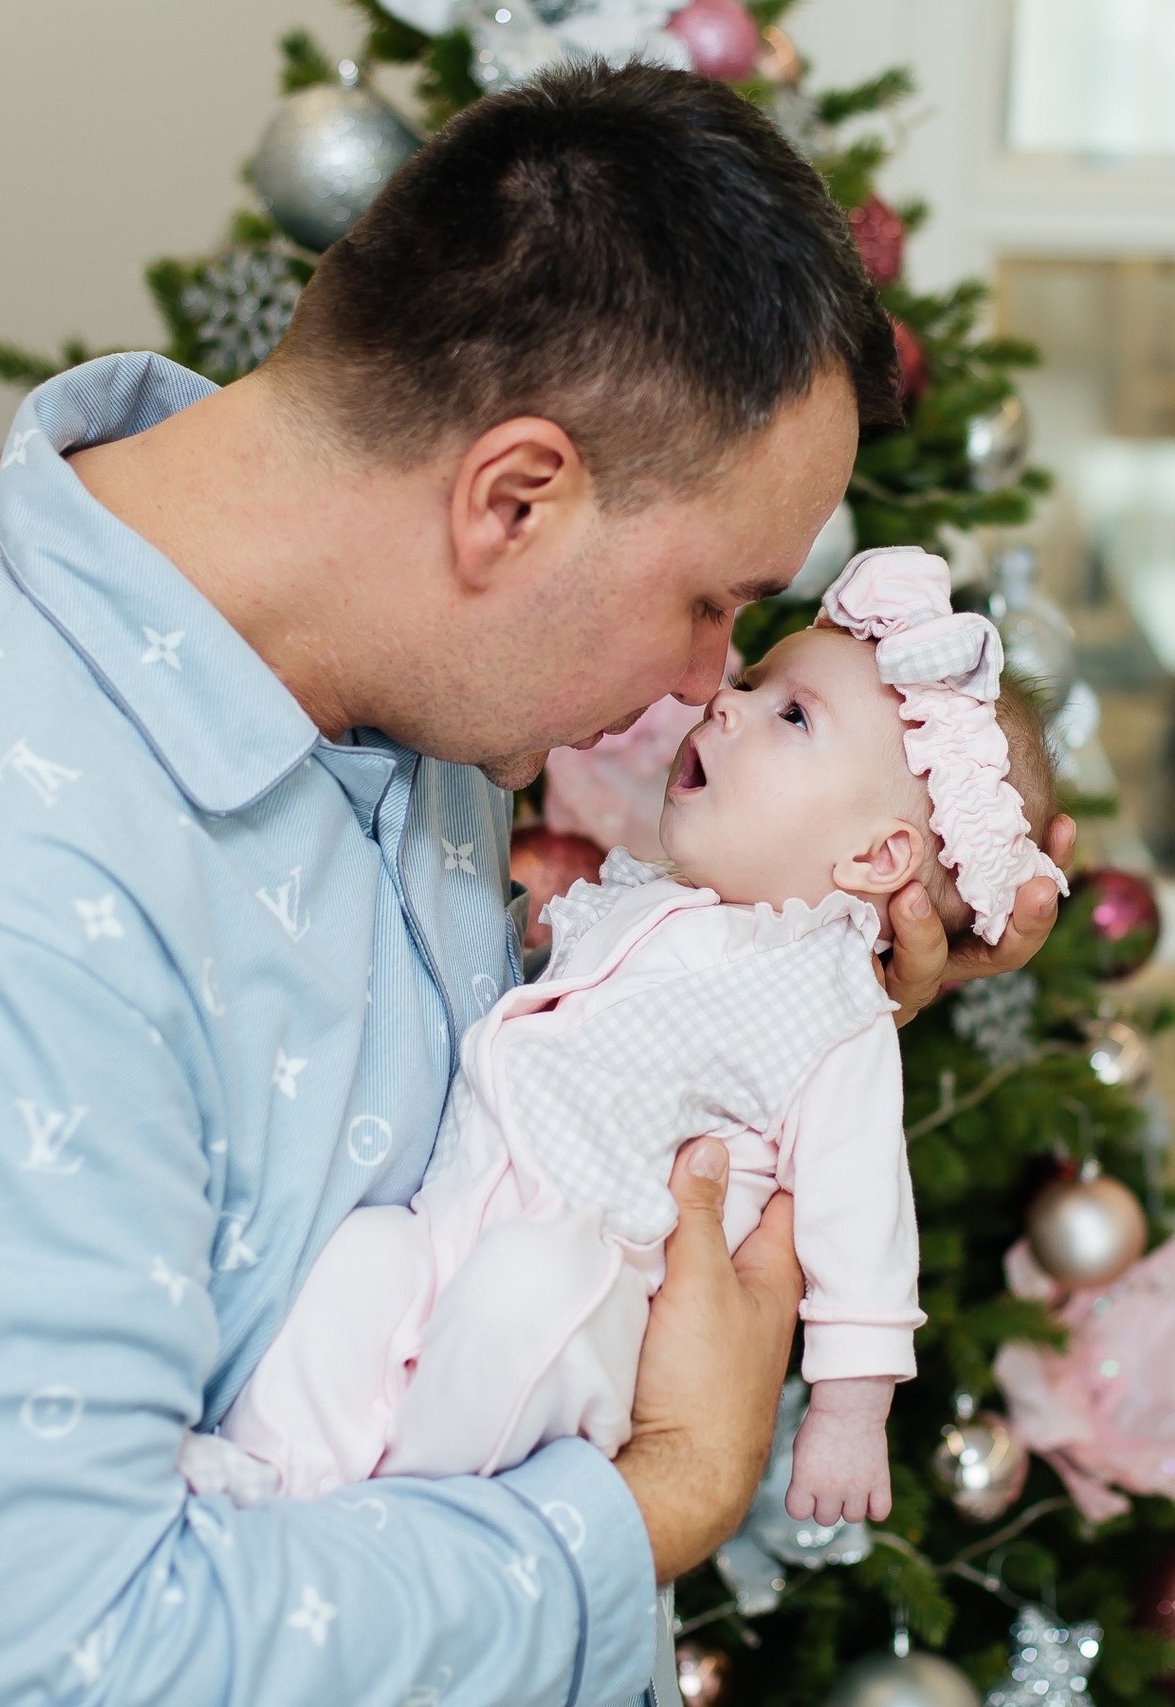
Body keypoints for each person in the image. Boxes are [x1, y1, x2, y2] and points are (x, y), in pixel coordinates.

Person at [0, 63, 1071, 1707]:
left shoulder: (387, 687)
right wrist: (655, 1505)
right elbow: (58, 1672)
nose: (711, 681)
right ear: (516, 500)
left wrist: (840, 962)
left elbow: (548, 1102)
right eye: (712, 600)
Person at [194, 546, 1064, 1535]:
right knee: (360, 1259)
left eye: (791, 717)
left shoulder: (833, 1006)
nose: (725, 705)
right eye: (751, 682)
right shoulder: (648, 898)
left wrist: (850, 1413)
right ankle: (268, 1472)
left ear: (876, 857)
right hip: (453, 1211)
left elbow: (863, 1216)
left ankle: (403, 1520)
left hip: (591, 1280)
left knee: (521, 1296)